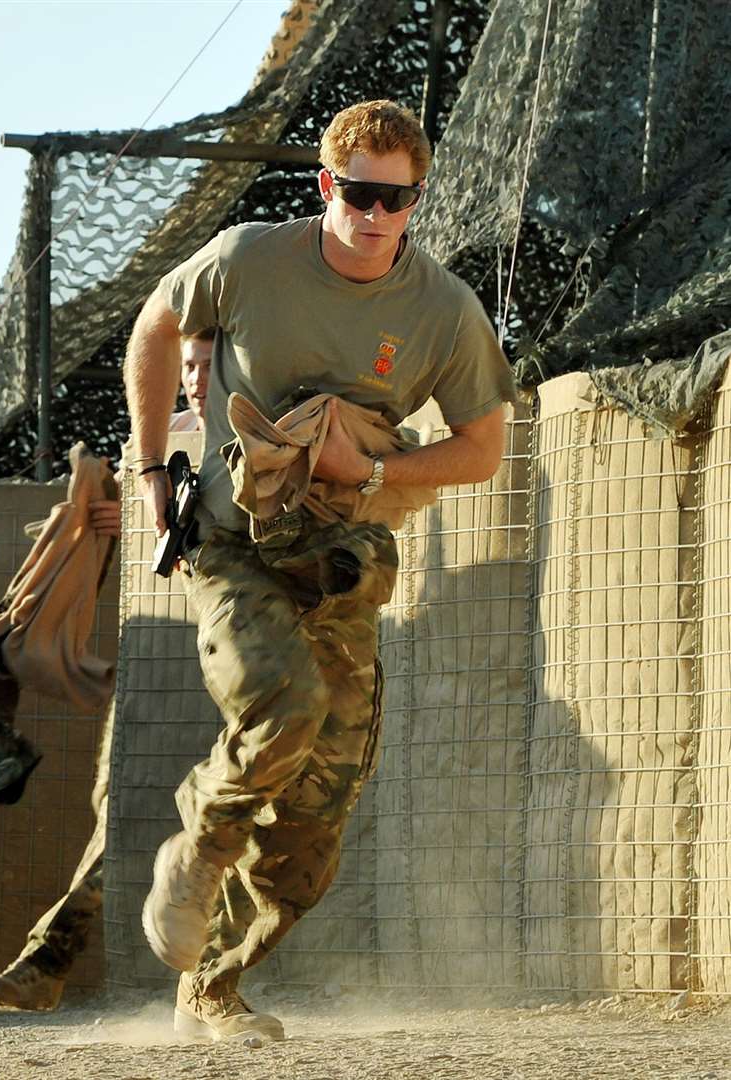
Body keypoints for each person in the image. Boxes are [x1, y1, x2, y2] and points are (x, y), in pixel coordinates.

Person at [125, 100, 514, 1041]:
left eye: (397, 198)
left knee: (317, 814)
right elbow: (153, 327)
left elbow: (481, 449)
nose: (374, 215)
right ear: (324, 185)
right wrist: (148, 468)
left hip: (343, 563)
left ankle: (211, 986)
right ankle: (195, 848)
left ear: (416, 201)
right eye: (358, 193)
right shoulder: (250, 257)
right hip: (231, 546)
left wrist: (371, 470)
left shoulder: (441, 310)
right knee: (279, 706)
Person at [0, 330, 212, 1011]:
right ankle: (47, 963)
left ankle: (198, 984)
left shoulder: (255, 434)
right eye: (186, 365)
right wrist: (114, 521)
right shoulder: (156, 448)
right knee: (120, 812)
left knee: (222, 823)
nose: (195, 377)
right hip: (157, 666)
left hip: (239, 668)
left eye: (207, 364)